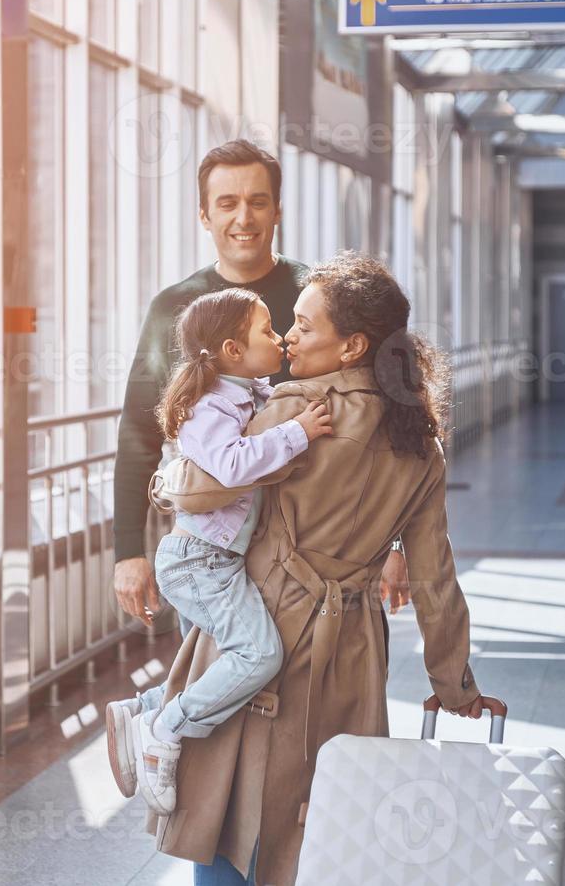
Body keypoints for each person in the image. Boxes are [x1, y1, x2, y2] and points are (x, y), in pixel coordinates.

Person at [146, 253, 501, 886]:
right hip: (352, 648)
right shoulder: (421, 443)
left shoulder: (291, 413)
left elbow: (201, 491)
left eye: (305, 327)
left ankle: (148, 718)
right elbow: (435, 578)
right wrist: (455, 687)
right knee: (326, 823)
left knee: (232, 814)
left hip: (261, 620)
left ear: (351, 345)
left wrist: (169, 480)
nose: (289, 338)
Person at [109, 142, 412, 710]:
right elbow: (137, 433)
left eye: (257, 201)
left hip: (318, 553)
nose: (242, 218)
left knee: (310, 709)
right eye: (226, 203)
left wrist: (394, 541)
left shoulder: (318, 296)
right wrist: (128, 550)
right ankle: (170, 751)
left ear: (277, 210)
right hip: (216, 552)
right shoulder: (173, 308)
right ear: (204, 215)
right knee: (221, 691)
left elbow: (380, 421)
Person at [105, 289, 334, 815]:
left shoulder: (249, 393)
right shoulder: (209, 407)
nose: (279, 339)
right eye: (267, 331)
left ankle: (141, 708)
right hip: (198, 562)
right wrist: (297, 432)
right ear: (233, 349)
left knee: (220, 659)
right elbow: (232, 467)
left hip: (219, 560)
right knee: (259, 655)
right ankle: (165, 731)